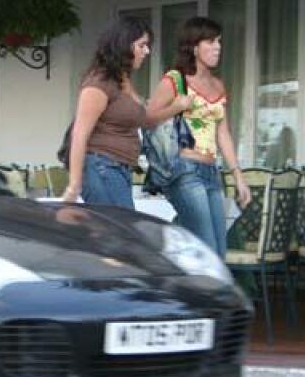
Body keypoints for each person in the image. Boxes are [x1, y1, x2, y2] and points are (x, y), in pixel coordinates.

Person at [148, 17, 251, 257]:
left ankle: (179, 282)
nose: (218, 47)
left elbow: (223, 131)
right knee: (208, 250)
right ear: (194, 47)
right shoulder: (175, 80)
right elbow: (148, 118)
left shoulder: (218, 84)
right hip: (184, 170)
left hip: (212, 172)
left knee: (218, 253)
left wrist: (238, 175)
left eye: (219, 42)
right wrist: (176, 107)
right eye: (211, 41)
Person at [62, 14, 172, 208]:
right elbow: (79, 134)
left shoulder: (123, 81)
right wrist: (74, 184)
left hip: (119, 168)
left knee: (115, 232)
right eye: (141, 45)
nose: (147, 51)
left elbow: (146, 120)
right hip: (102, 166)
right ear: (124, 45)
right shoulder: (100, 82)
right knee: (119, 233)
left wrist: (177, 107)